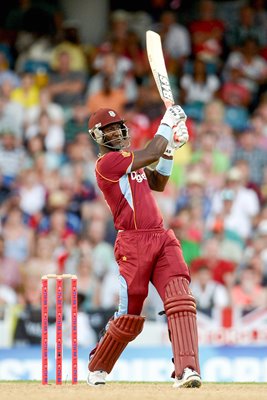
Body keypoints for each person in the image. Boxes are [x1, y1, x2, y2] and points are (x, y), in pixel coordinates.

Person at [86, 105, 201, 388]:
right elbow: (151, 153)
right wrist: (167, 124)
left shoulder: (129, 159)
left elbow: (158, 182)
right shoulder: (107, 164)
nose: (115, 132)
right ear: (97, 137)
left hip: (161, 237)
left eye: (117, 127)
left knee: (181, 300)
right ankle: (98, 366)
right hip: (132, 243)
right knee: (130, 316)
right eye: (107, 130)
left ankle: (186, 370)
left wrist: (171, 149)